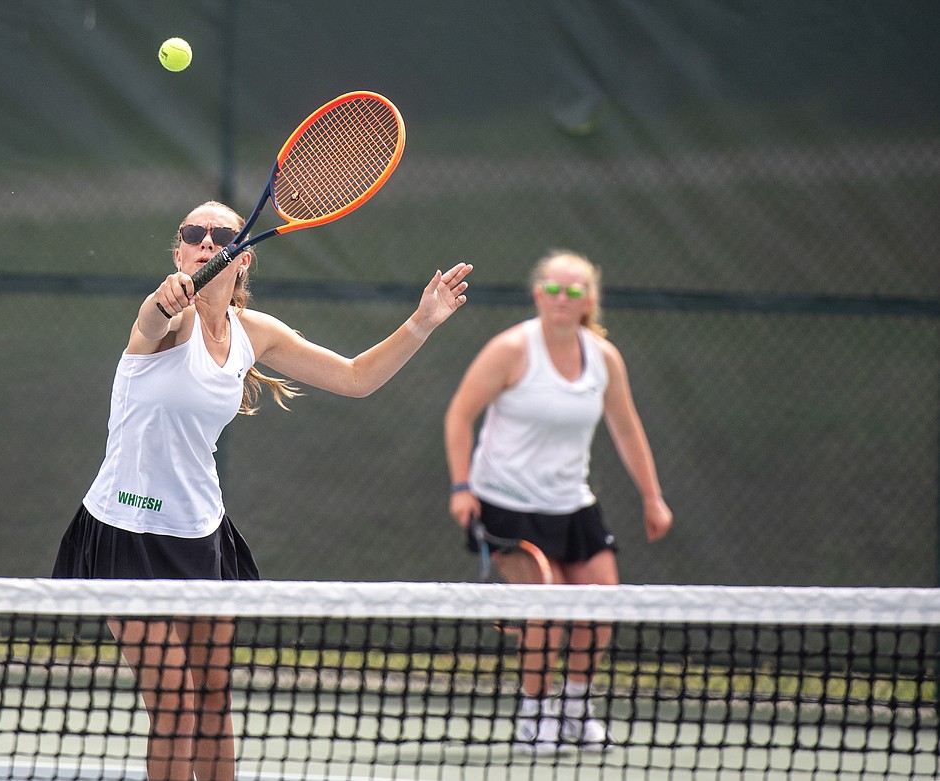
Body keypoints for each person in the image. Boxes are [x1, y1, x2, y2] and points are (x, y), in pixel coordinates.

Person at [53, 199, 473, 781]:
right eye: (191, 234)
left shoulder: (256, 333)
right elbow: (153, 317)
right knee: (173, 705)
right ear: (179, 250)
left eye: (218, 235)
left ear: (242, 257)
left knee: (213, 700)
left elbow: (356, 378)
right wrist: (163, 300)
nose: (204, 242)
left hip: (201, 534)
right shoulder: (170, 319)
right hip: (126, 532)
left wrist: (422, 321)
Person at [443, 249, 671, 753]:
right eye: (553, 289)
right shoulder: (510, 350)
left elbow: (627, 429)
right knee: (544, 614)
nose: (562, 299)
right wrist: (462, 487)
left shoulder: (603, 358)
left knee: (601, 605)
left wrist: (652, 498)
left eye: (574, 291)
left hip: (573, 506)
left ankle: (575, 709)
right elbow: (459, 415)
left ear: (588, 300)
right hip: (506, 505)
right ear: (538, 293)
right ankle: (535, 716)